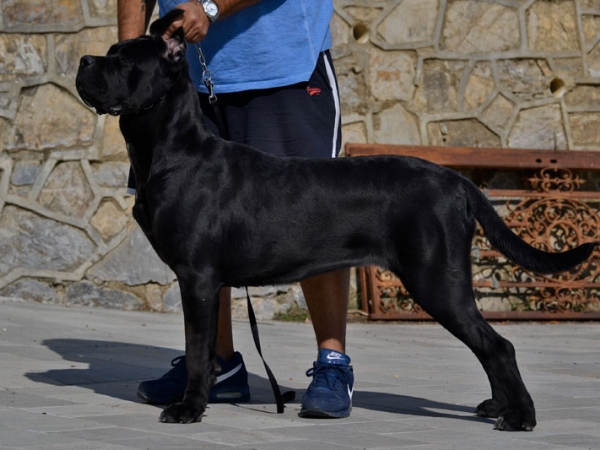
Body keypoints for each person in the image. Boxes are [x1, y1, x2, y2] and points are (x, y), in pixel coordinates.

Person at [117, 0, 354, 418]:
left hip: (283, 66)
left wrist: (210, 6)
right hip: (185, 74)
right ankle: (216, 366)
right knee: (199, 227)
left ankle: (332, 363)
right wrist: (131, 61)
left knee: (317, 213)